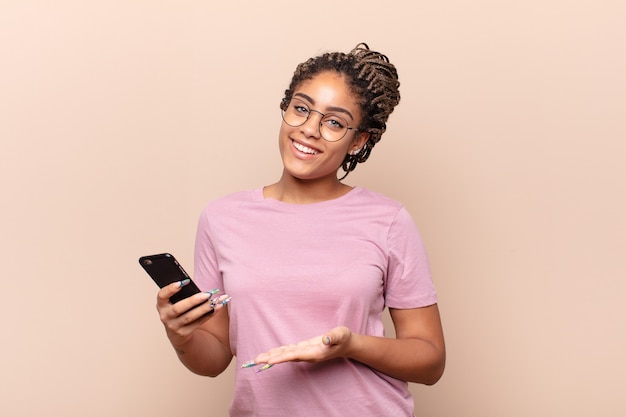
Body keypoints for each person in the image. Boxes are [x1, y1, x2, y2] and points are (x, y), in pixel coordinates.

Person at [156, 42, 446, 416]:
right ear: (285, 108)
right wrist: (180, 336)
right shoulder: (221, 218)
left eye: (334, 122)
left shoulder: (388, 220)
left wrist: (350, 345)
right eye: (301, 108)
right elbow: (213, 359)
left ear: (358, 141)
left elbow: (430, 360)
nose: (309, 130)